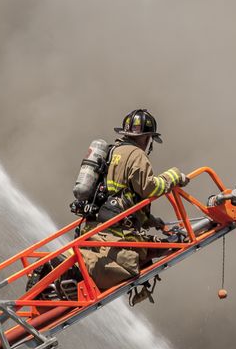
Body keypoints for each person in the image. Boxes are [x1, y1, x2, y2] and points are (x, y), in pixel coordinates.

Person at [81, 109, 189, 291]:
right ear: (147, 138)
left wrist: (151, 221)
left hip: (96, 229)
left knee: (149, 246)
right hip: (117, 235)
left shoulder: (111, 151)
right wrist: (174, 176)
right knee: (140, 256)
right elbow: (149, 188)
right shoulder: (137, 155)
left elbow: (123, 197)